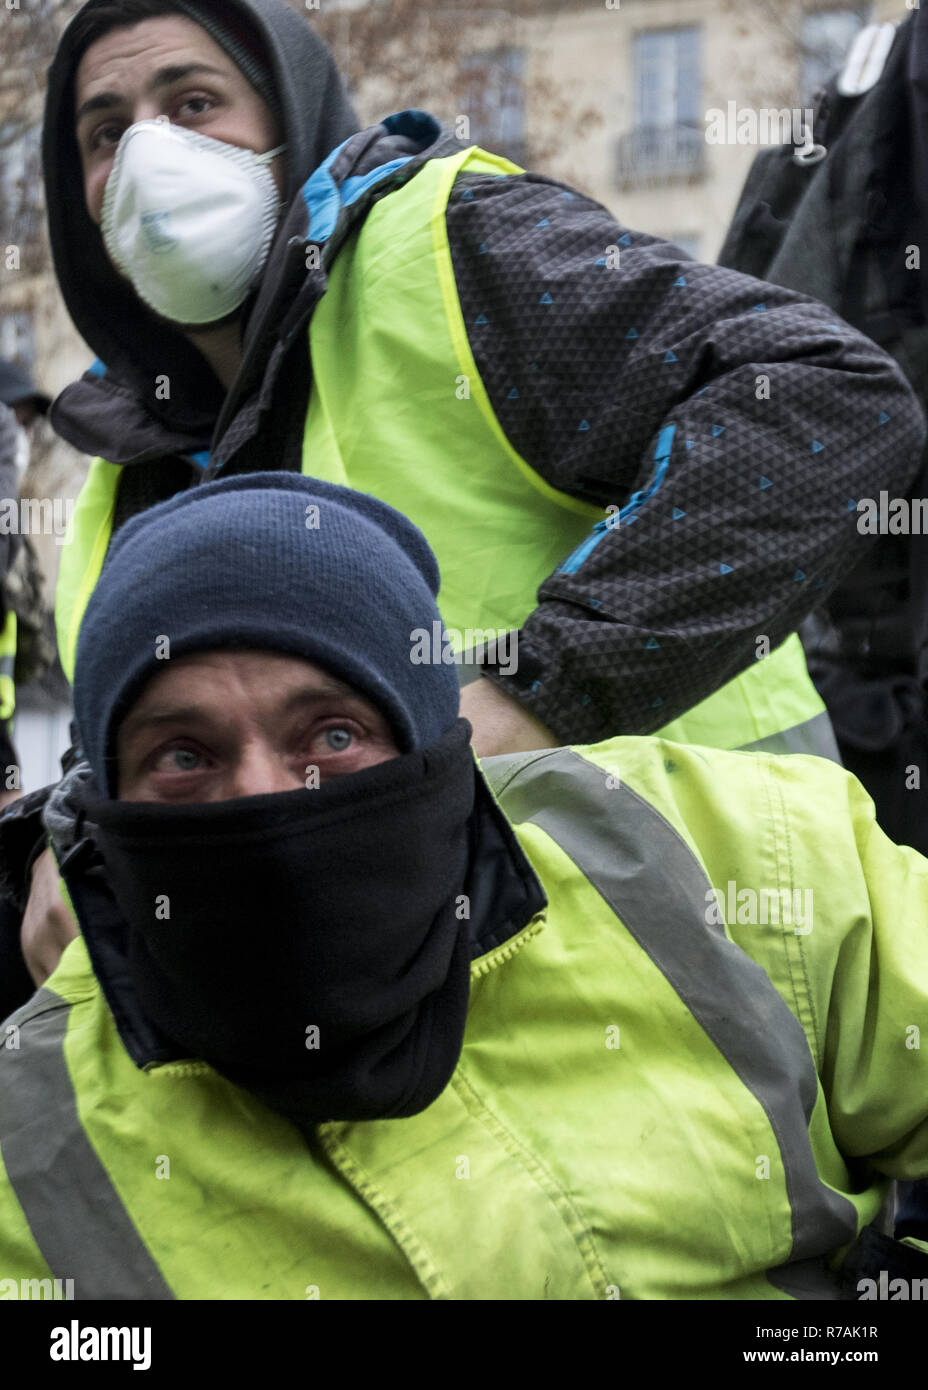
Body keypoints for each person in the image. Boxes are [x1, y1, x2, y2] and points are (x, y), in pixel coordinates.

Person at [3, 0, 925, 999]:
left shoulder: (450, 249)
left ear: (290, 115)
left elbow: (825, 400)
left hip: (715, 998)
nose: (150, 155)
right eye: (106, 133)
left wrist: (543, 691)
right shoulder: (114, 470)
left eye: (193, 101)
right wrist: (77, 833)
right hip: (409, 1058)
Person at [0, 470, 926, 1301]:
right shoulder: (31, 1143)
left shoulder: (738, 851)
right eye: (184, 754)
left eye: (330, 736)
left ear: (434, 754)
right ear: (108, 809)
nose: (264, 801)